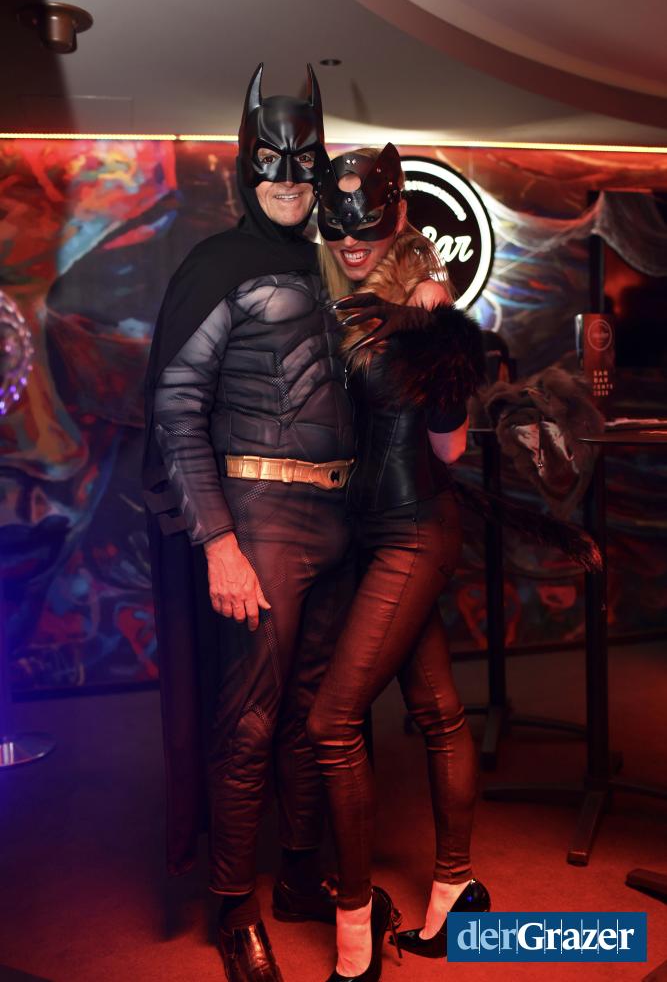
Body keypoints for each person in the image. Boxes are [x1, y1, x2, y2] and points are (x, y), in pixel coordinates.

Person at [143, 64, 356, 982]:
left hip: (337, 520)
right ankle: (233, 905)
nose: (287, 178)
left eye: (303, 161)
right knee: (250, 719)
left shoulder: (325, 263)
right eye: (271, 160)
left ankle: (301, 876)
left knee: (317, 714)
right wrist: (220, 543)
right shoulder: (217, 264)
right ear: (245, 165)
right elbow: (176, 405)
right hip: (261, 521)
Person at [307, 144, 490, 982]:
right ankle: (456, 891)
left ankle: (355, 927)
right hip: (372, 534)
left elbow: (449, 448)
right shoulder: (335, 299)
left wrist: (434, 343)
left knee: (331, 722)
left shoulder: (426, 305)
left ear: (400, 218)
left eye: (368, 227)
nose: (352, 242)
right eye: (339, 229)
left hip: (414, 531)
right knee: (437, 711)